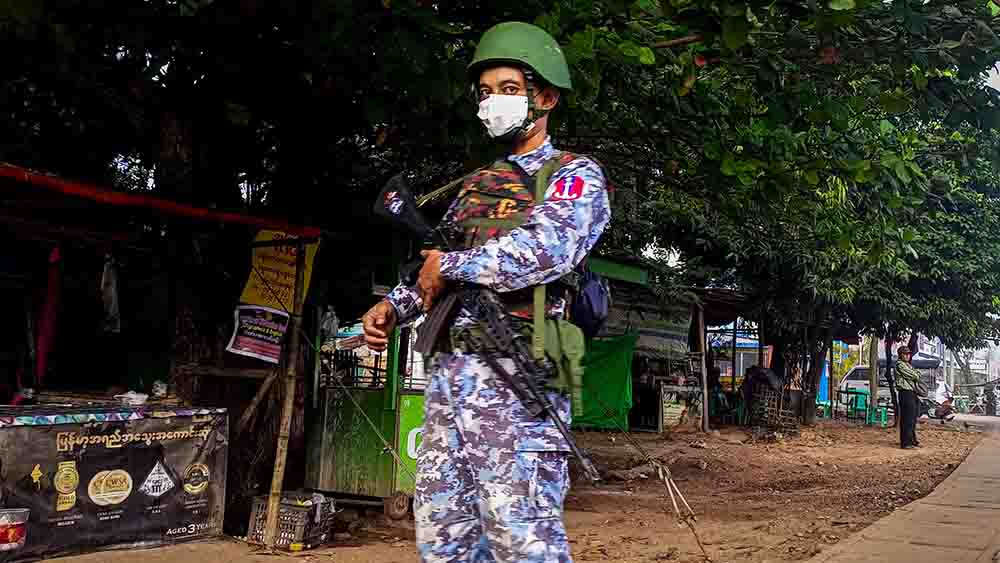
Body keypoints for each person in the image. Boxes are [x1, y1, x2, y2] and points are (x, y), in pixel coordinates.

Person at [362, 22, 610, 563]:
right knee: (443, 539)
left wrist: (451, 264)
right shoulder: (475, 188)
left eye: (509, 88)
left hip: (518, 380)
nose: (493, 101)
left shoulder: (574, 176)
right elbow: (433, 273)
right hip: (449, 383)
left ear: (546, 98)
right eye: (485, 91)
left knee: (523, 542)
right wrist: (393, 307)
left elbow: (546, 250)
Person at [894, 346, 921, 449]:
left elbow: (917, 374)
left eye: (908, 354)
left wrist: (915, 374)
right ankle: (906, 442)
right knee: (907, 419)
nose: (907, 356)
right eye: (905, 354)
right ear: (900, 355)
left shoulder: (908, 365)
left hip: (911, 392)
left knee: (913, 418)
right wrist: (915, 375)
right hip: (905, 393)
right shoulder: (900, 365)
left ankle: (912, 440)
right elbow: (915, 375)